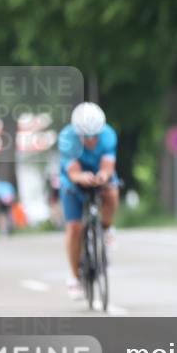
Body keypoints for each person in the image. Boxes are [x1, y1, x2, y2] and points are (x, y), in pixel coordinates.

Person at [57, 102, 119, 301]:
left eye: (95, 135)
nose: (92, 140)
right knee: (75, 228)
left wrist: (103, 176)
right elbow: (73, 171)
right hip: (74, 181)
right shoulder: (67, 138)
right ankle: (75, 278)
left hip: (98, 174)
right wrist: (81, 177)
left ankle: (107, 229)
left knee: (112, 192)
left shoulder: (109, 135)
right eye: (87, 136)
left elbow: (108, 165)